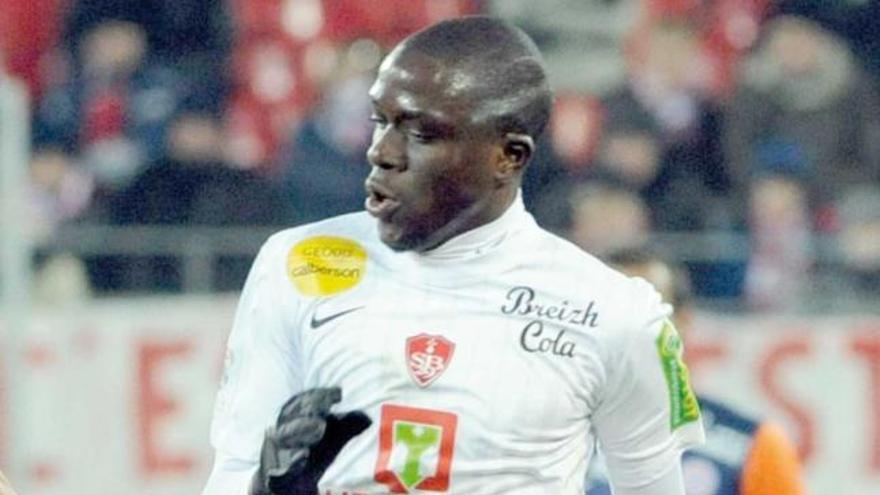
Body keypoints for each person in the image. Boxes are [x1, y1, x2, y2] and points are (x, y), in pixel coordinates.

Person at [203, 16, 703, 495]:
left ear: (509, 156)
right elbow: (234, 466)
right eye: (381, 120)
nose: (383, 150)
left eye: (421, 133)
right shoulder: (297, 263)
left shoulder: (617, 314)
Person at [585, 246, 805, 495]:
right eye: (611, 314)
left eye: (647, 315)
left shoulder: (751, 446)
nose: (628, 332)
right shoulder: (551, 433)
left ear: (683, 322)